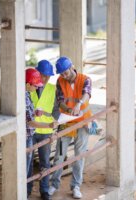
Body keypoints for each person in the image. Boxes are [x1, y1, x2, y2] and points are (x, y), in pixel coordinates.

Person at [49, 57, 92, 199]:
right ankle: (54, 184)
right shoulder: (60, 81)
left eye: (66, 72)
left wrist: (79, 104)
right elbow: (60, 100)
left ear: (72, 67)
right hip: (66, 121)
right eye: (61, 74)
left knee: (79, 155)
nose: (64, 76)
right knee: (59, 155)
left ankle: (76, 186)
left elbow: (87, 93)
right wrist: (67, 108)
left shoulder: (85, 79)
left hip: (82, 122)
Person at [25, 68, 57, 199]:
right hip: (31, 132)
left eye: (48, 76)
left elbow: (56, 109)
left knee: (44, 162)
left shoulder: (51, 89)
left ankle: (44, 191)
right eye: (43, 76)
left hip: (44, 132)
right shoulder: (25, 93)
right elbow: (29, 122)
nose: (44, 80)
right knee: (28, 164)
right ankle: (26, 191)